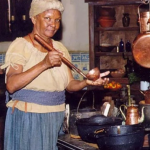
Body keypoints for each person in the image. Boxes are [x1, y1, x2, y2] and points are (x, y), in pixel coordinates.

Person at [1, 0, 110, 149]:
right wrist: (44, 63)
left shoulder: (60, 48)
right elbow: (11, 85)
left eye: (57, 20)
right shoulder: (20, 46)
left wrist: (86, 82)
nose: (53, 24)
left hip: (56, 118)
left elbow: (69, 85)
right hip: (29, 118)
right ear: (34, 19)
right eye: (47, 18)